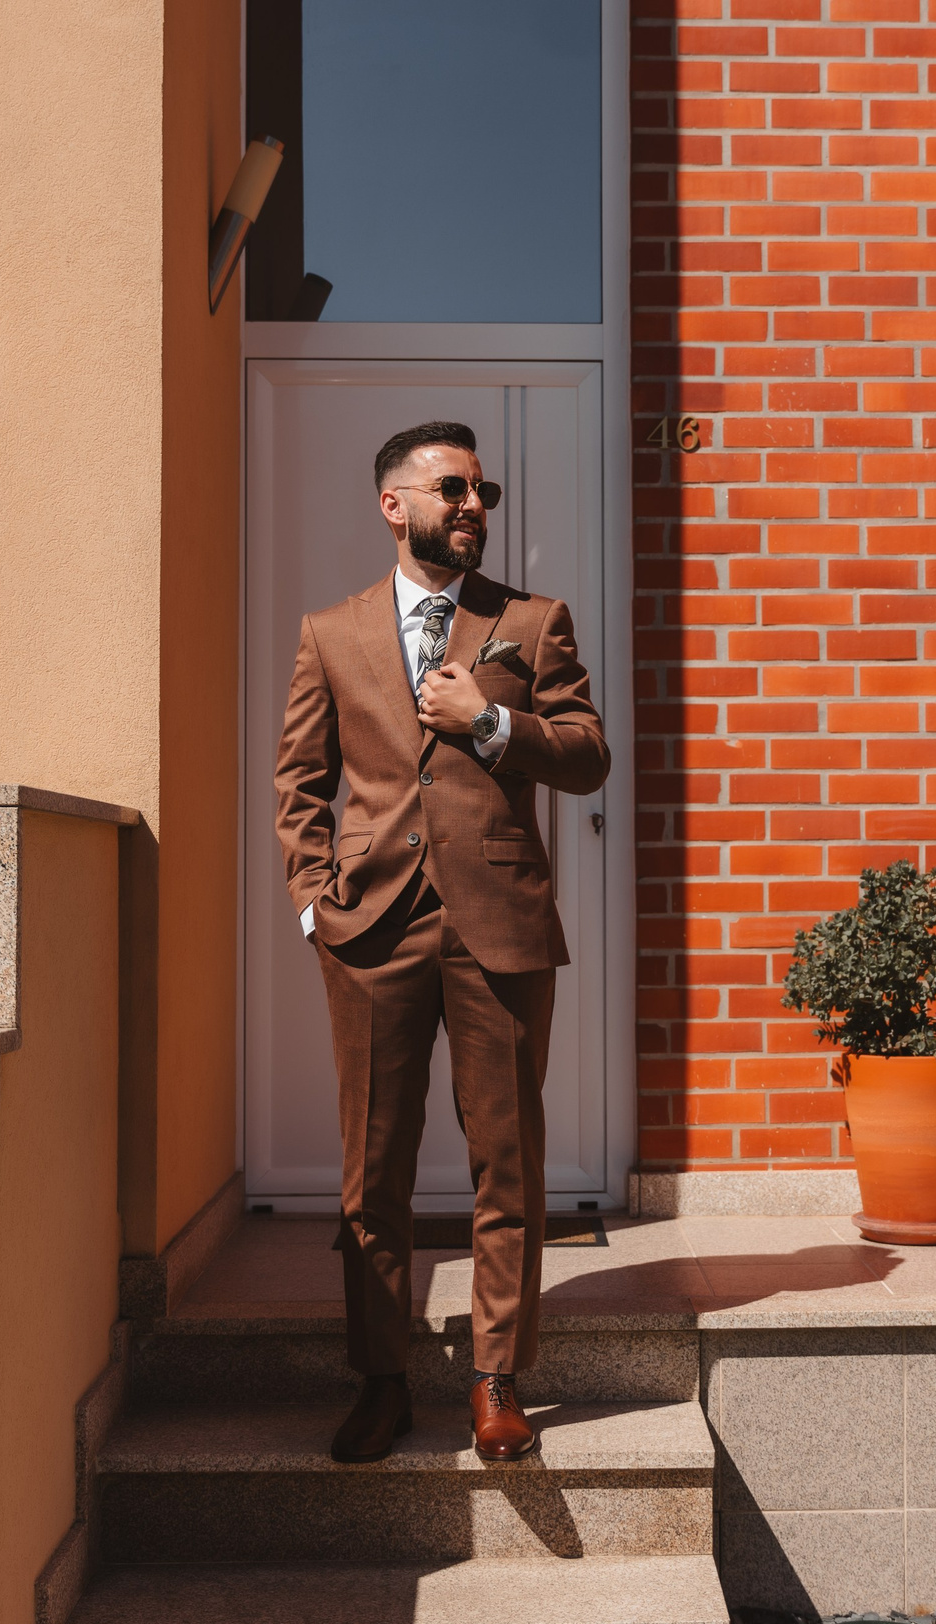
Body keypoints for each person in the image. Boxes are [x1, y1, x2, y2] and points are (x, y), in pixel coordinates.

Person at [273, 420, 610, 1463]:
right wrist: (313, 905)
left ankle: (496, 1380)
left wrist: (492, 725)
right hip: (370, 930)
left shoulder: (530, 620)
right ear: (395, 504)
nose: (473, 507)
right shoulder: (329, 634)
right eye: (453, 489)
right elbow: (299, 786)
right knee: (371, 1172)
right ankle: (378, 1380)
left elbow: (587, 756)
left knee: (507, 1163)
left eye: (483, 492)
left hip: (497, 928)